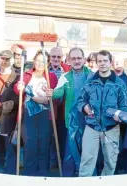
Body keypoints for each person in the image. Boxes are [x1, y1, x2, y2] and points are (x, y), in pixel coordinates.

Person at [75, 50, 127, 177]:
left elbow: (126, 107)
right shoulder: (90, 81)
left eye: (105, 61)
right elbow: (80, 100)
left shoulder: (119, 83)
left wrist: (120, 116)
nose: (102, 64)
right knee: (87, 161)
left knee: (111, 162)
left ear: (110, 62)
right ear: (96, 63)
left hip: (111, 127)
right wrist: (84, 107)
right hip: (92, 127)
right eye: (99, 61)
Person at [46, 47, 92, 176]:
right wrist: (51, 93)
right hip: (72, 121)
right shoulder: (65, 77)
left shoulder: (92, 75)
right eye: (73, 58)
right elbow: (58, 92)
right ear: (69, 60)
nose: (76, 61)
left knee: (88, 153)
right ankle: (68, 181)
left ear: (83, 59)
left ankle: (88, 180)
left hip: (90, 121)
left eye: (79, 58)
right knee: (70, 154)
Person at [15, 50, 59, 176]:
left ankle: (43, 175)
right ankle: (30, 175)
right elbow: (18, 90)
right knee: (30, 147)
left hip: (45, 116)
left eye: (43, 61)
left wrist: (49, 98)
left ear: (48, 63)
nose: (40, 64)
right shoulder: (26, 75)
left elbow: (57, 96)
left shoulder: (51, 77)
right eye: (38, 60)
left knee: (44, 146)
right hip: (28, 115)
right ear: (34, 61)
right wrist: (19, 88)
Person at [48, 46, 71, 169]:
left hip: (64, 110)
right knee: (50, 137)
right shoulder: (45, 70)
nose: (56, 59)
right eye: (53, 57)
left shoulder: (68, 70)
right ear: (49, 57)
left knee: (63, 136)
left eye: (58, 57)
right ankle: (52, 162)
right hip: (50, 110)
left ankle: (63, 161)